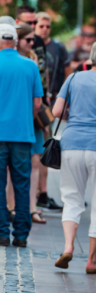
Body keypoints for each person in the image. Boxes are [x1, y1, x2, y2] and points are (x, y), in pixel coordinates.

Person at [51, 41, 96, 273]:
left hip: (71, 143)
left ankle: (68, 246)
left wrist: (77, 118)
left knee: (72, 199)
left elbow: (56, 112)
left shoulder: (73, 78)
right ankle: (92, 261)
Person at [0, 23, 43, 247]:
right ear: (16, 40)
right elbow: (37, 103)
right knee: (22, 186)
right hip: (22, 134)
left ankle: (1, 233)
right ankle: (21, 235)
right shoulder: (30, 66)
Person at [35, 12, 68, 210]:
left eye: (48, 26)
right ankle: (40, 193)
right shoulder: (32, 45)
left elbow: (67, 74)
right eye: (41, 26)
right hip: (36, 100)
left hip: (52, 101)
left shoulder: (58, 47)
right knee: (39, 145)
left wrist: (65, 101)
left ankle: (43, 192)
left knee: (46, 144)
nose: (45, 29)